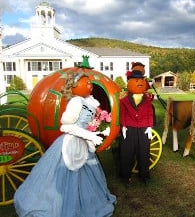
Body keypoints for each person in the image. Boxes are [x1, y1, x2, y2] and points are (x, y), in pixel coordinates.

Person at [14, 72, 116, 217]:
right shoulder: (76, 102)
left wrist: (98, 130)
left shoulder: (89, 101)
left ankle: (86, 199)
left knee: (86, 172)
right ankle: (65, 201)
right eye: (86, 82)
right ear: (75, 86)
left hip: (83, 144)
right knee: (67, 172)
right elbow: (66, 126)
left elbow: (88, 121)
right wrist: (89, 135)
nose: (90, 85)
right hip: (71, 143)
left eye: (90, 82)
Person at [119, 62, 154, 186]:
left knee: (144, 152)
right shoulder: (124, 100)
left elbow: (150, 113)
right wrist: (123, 126)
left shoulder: (148, 100)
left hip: (143, 128)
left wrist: (149, 126)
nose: (139, 82)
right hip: (129, 128)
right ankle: (126, 176)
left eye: (141, 80)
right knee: (127, 153)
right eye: (135, 80)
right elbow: (122, 114)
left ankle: (144, 175)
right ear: (129, 82)